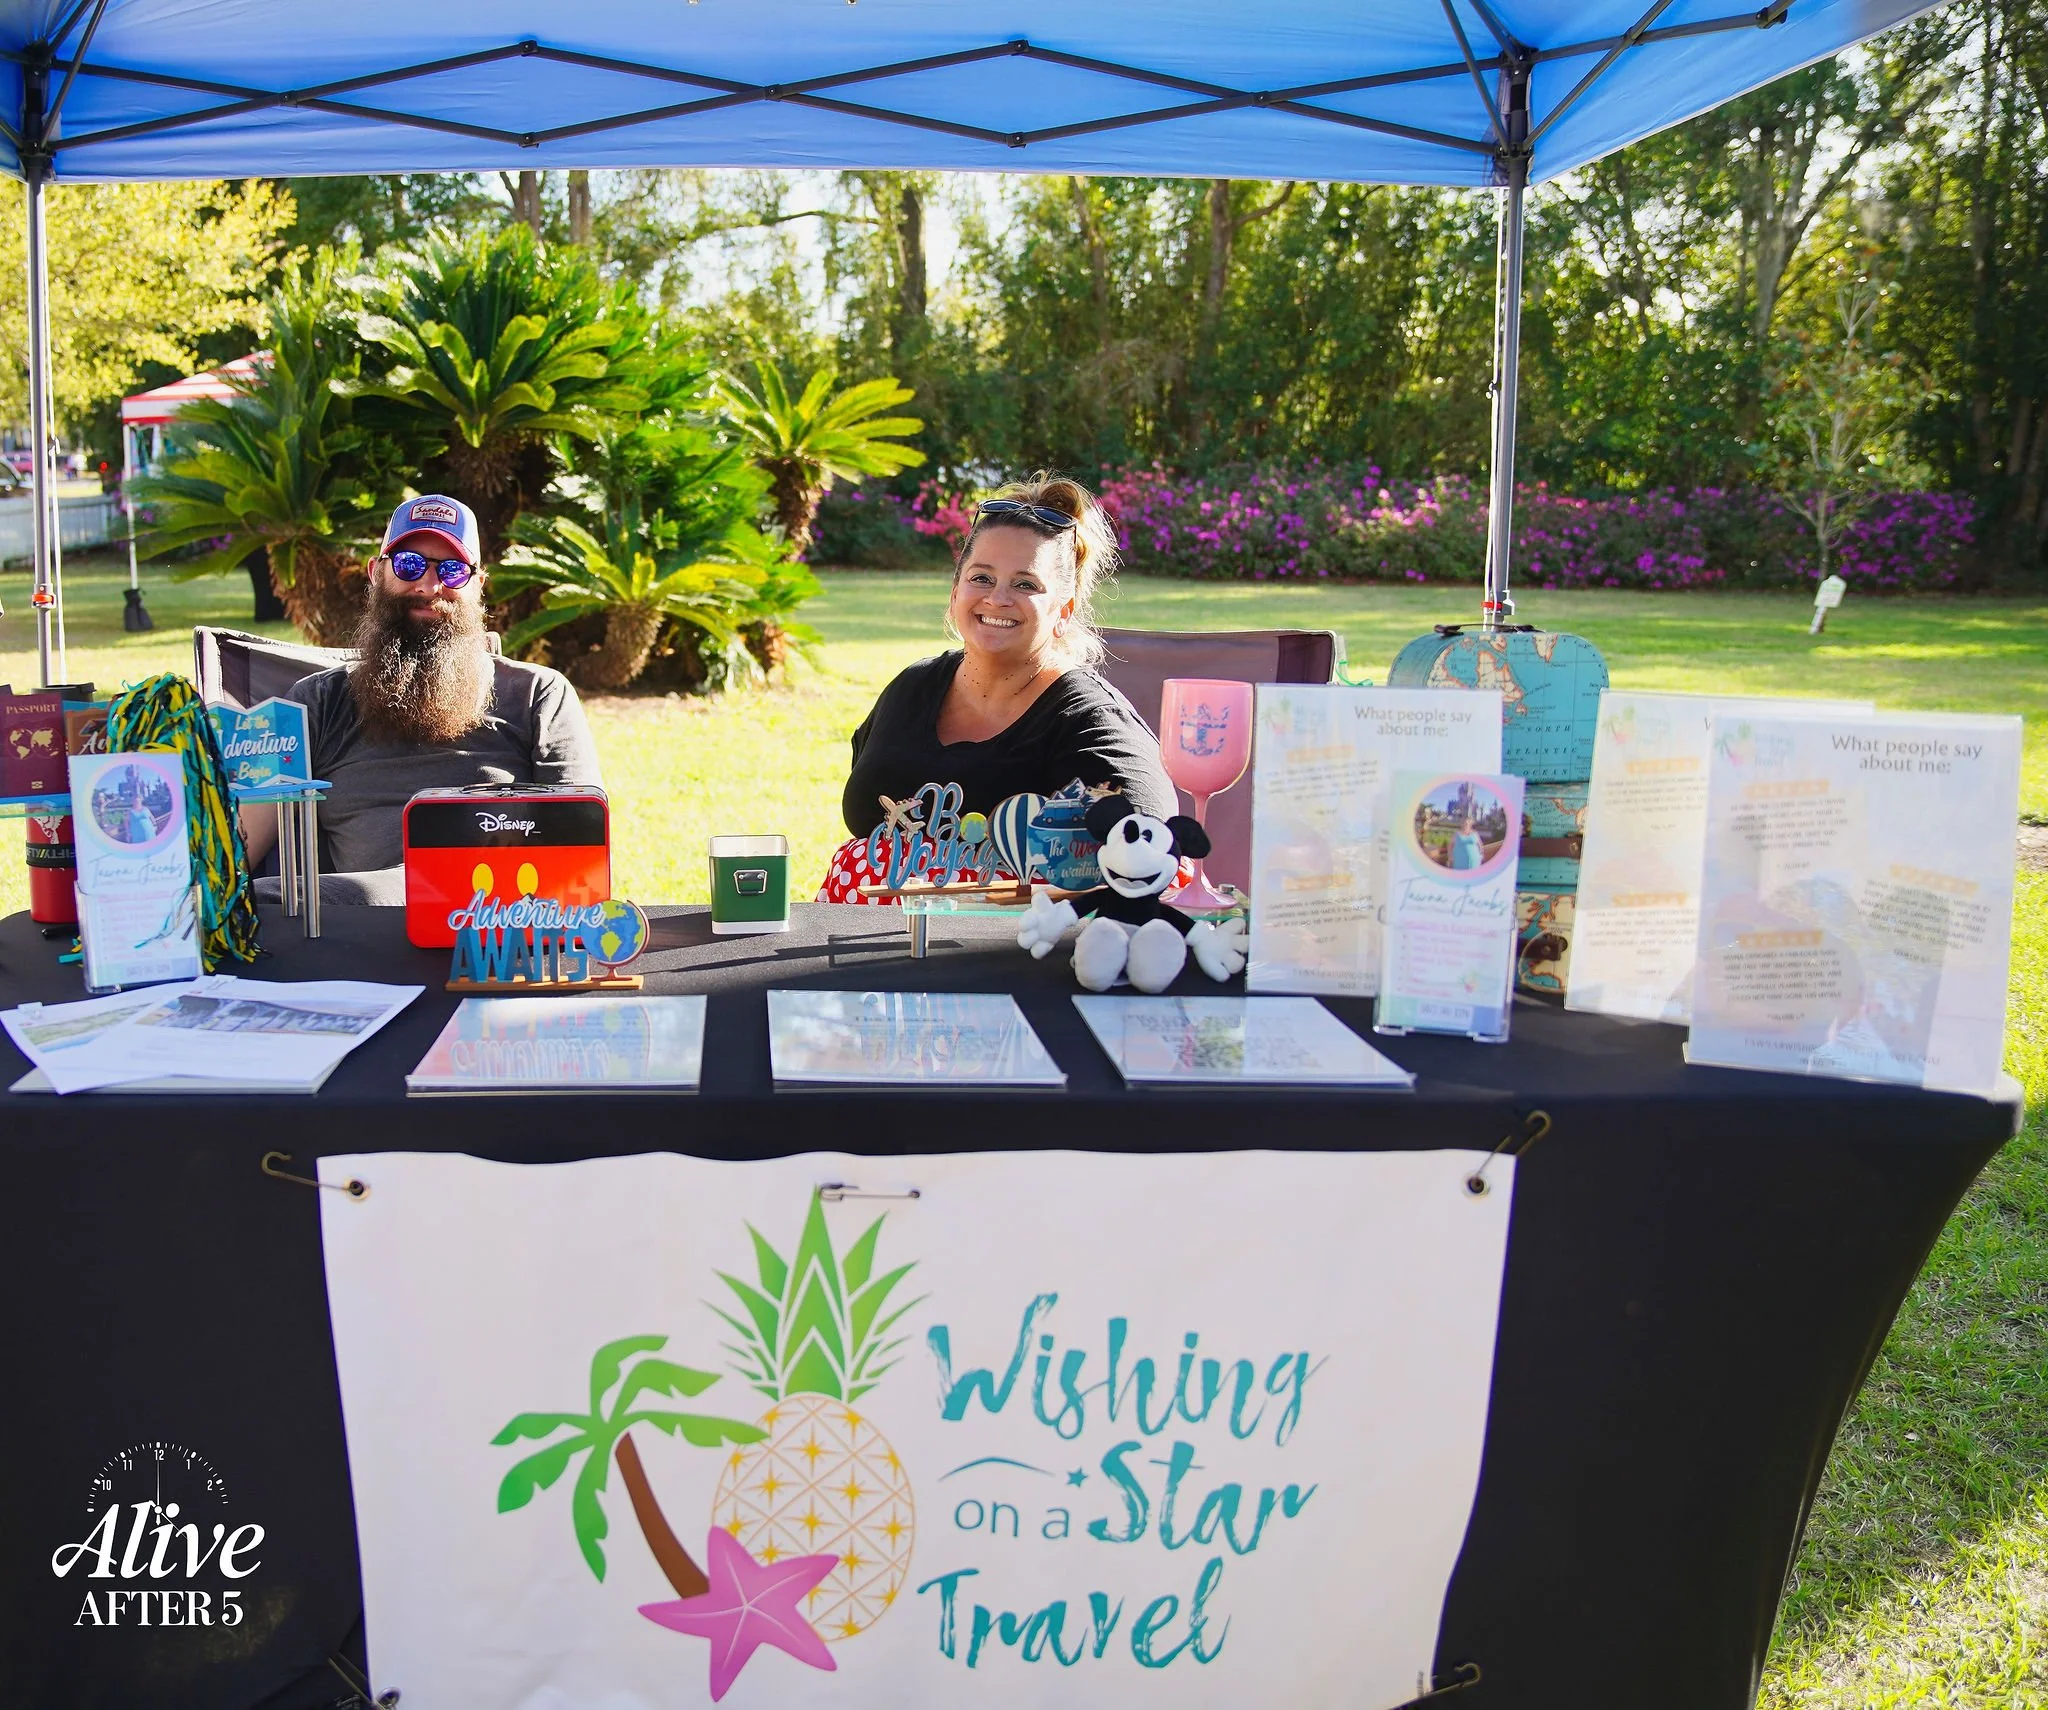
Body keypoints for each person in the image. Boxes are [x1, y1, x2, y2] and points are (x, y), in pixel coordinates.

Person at [822, 475, 1175, 902]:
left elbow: (1150, 859)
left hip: (1004, 958)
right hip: (854, 949)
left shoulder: (1090, 722)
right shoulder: (910, 688)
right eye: (981, 578)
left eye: (1026, 584)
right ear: (955, 594)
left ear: (1062, 611)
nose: (997, 599)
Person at [240, 495, 603, 887]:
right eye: (408, 565)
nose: (429, 586)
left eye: (452, 571)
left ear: (478, 585)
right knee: (266, 897)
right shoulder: (314, 702)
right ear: (376, 573)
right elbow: (234, 850)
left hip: (492, 924)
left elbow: (580, 848)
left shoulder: (539, 695)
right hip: (355, 930)